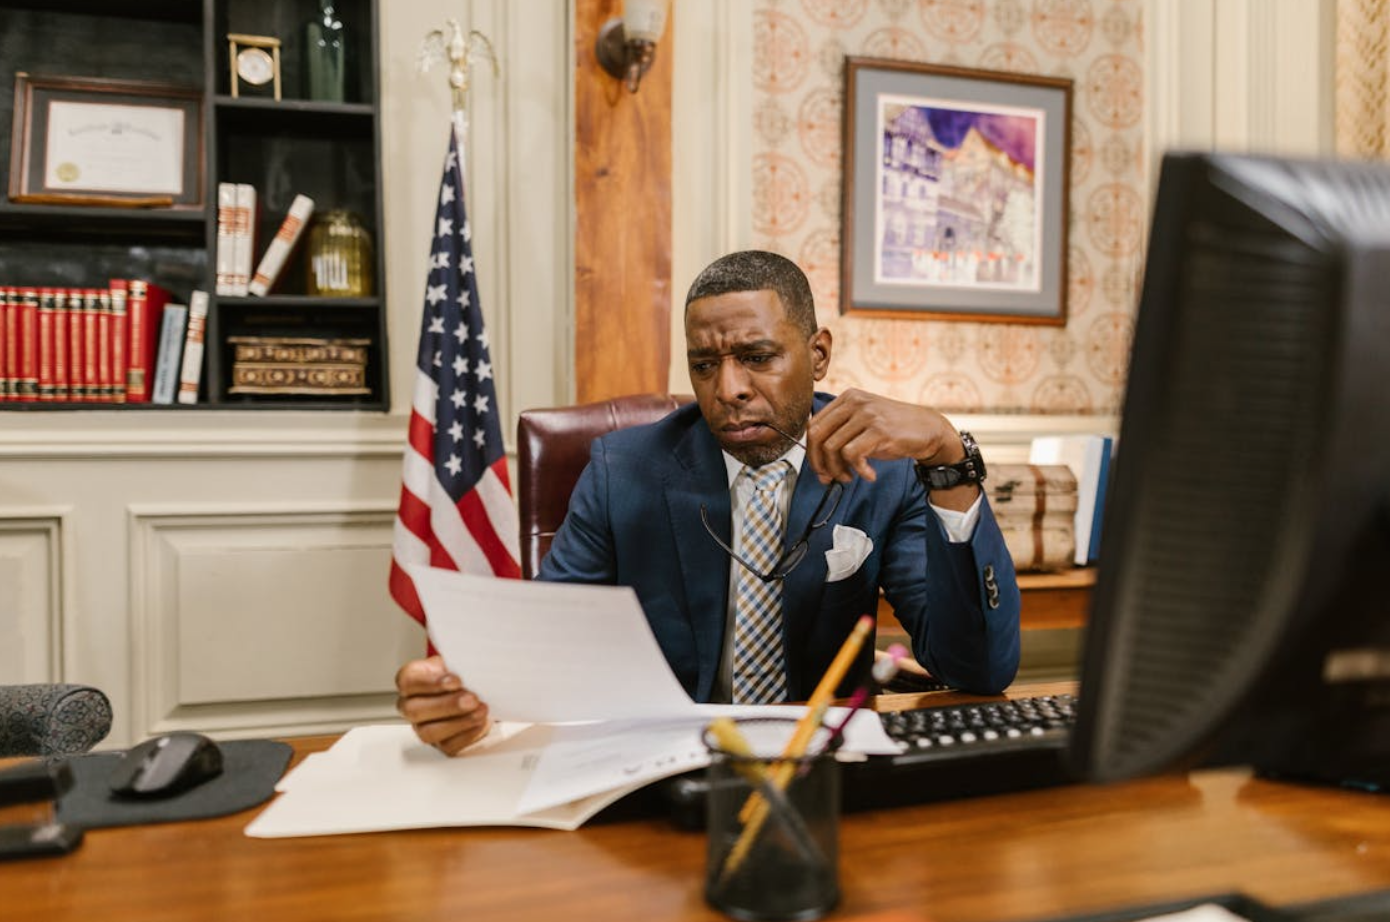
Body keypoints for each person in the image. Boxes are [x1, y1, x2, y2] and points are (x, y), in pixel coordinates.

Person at [397, 250, 1021, 754]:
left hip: (823, 764)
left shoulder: (882, 471)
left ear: (819, 355)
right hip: (664, 757)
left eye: (757, 357)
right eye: (704, 365)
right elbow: (546, 645)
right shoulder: (622, 472)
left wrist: (948, 458)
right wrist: (464, 695)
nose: (728, 389)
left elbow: (979, 669)